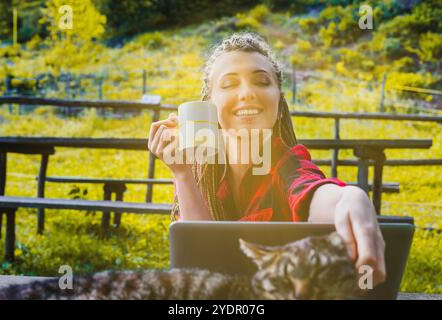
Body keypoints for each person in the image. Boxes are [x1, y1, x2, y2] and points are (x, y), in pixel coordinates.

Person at [148, 32, 385, 287]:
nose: (247, 93)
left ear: (278, 99)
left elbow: (313, 190)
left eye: (261, 82)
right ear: (210, 104)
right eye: (229, 84)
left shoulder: (287, 164)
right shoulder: (202, 170)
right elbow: (201, 257)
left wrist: (350, 197)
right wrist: (182, 173)